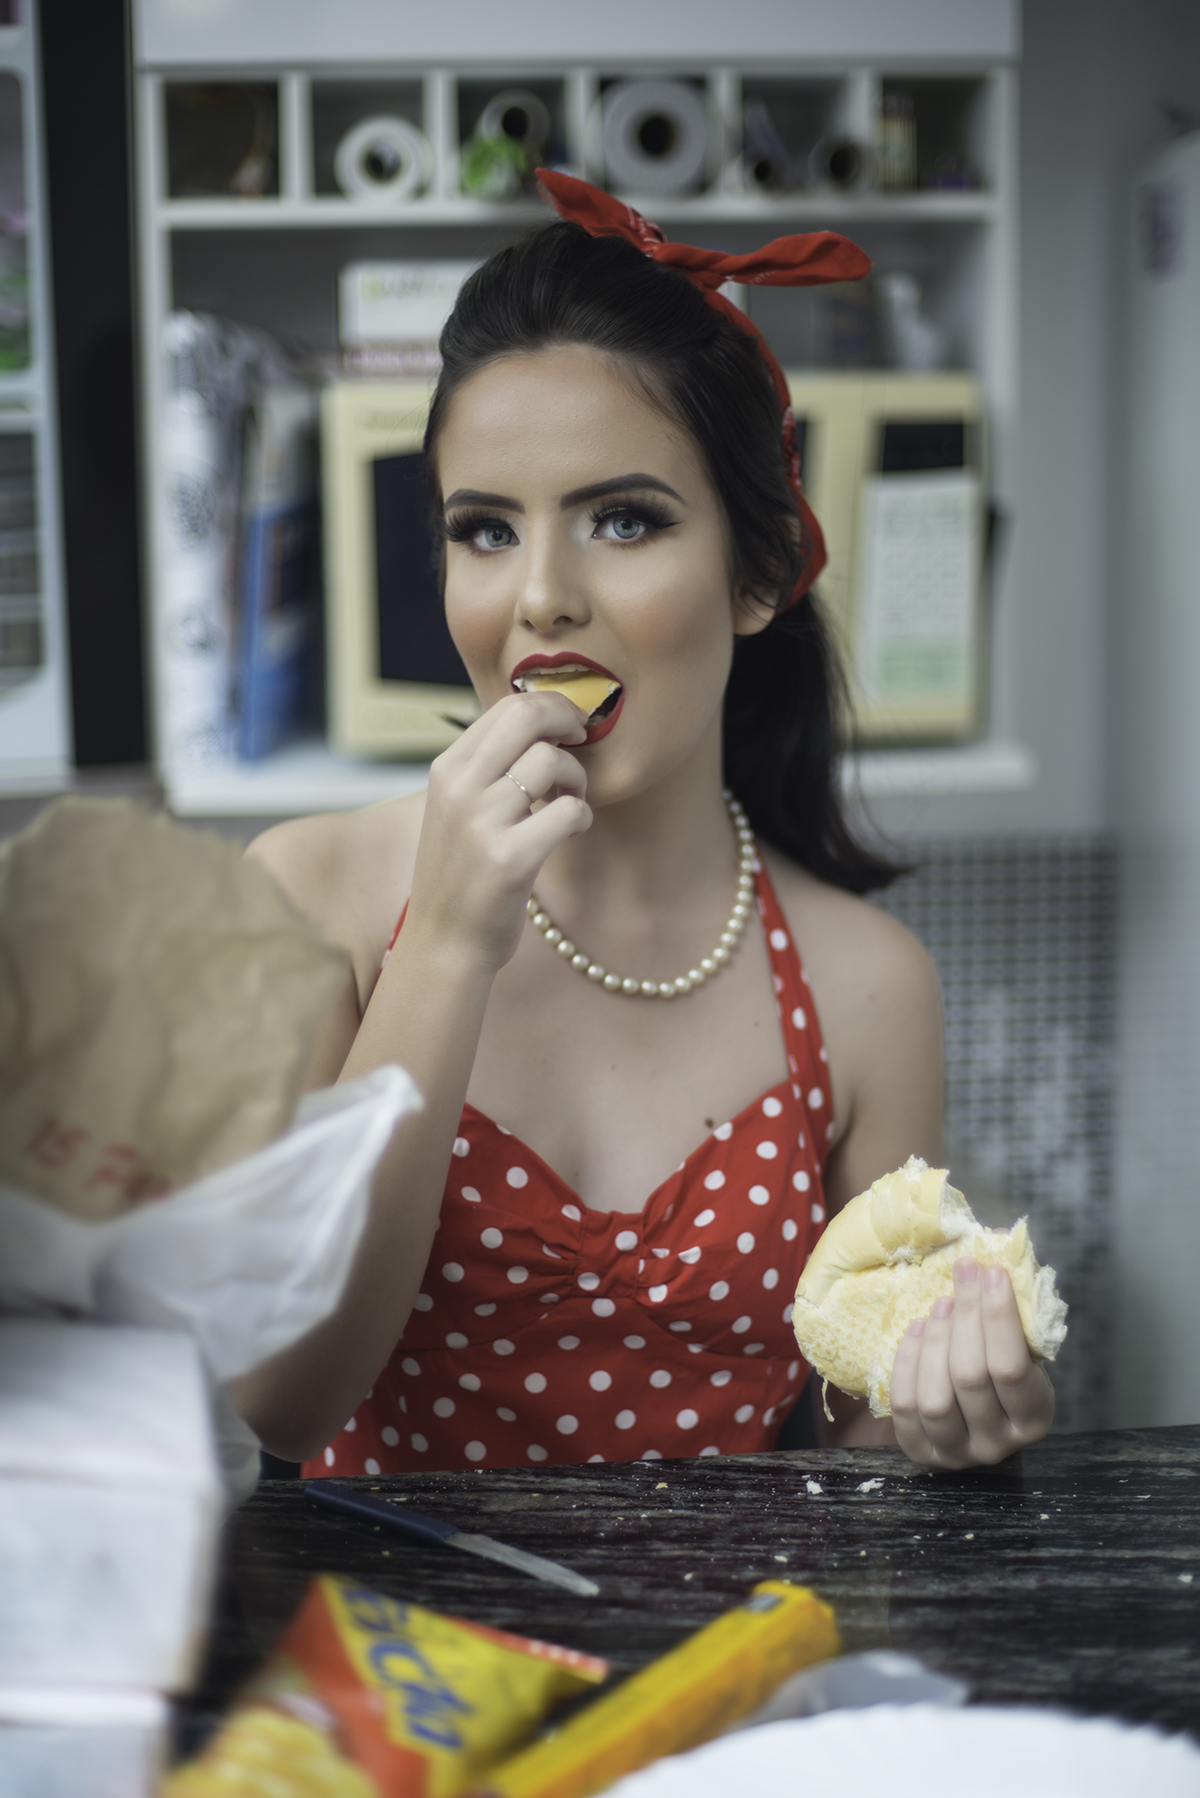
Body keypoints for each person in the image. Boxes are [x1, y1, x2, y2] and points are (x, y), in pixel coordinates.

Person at [233, 173, 1054, 1478]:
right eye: (484, 530)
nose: (541, 597)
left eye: (623, 520)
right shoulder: (311, 898)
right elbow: (282, 1397)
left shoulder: (868, 988)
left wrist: (956, 1406)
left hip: (738, 1617)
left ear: (760, 570)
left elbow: (864, 1438)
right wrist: (444, 942)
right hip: (386, 1614)